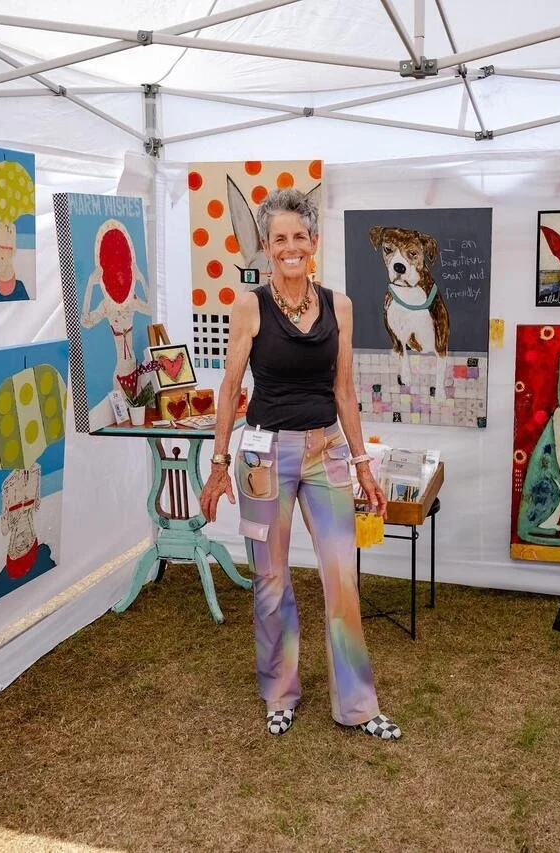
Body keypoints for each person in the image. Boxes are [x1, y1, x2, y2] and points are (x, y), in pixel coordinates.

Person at [199, 188, 400, 741]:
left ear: (314, 242)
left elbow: (344, 390)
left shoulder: (340, 306)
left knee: (342, 578)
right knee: (270, 580)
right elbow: (230, 387)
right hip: (263, 455)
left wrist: (362, 464)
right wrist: (218, 463)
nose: (290, 247)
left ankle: (357, 706)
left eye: (299, 237)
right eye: (279, 239)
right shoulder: (250, 306)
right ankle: (279, 694)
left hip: (326, 450)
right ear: (266, 247)